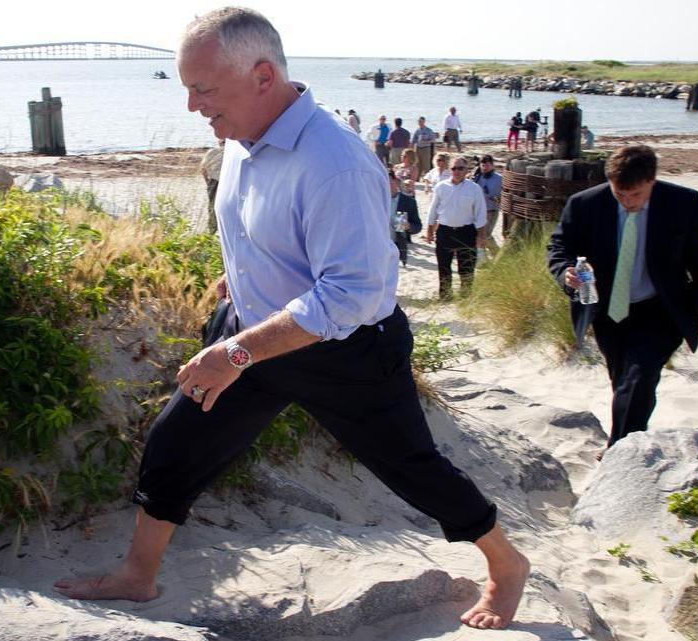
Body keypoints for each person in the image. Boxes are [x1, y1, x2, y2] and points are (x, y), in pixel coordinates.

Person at [53, 7, 529, 631]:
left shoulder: (336, 161)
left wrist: (236, 354)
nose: (194, 106)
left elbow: (350, 293)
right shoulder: (239, 140)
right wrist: (239, 276)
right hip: (252, 330)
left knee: (410, 467)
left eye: (204, 89)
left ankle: (505, 562)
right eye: (188, 89)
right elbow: (256, 229)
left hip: (345, 352)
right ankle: (138, 576)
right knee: (175, 444)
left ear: (261, 75)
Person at [546, 144, 698, 456]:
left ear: (651, 181)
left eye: (636, 195)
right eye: (620, 195)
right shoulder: (585, 204)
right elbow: (558, 247)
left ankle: (620, 451)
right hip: (607, 311)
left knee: (641, 376)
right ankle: (627, 438)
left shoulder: (684, 203)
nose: (628, 202)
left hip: (661, 308)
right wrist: (565, 274)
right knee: (623, 381)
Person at [424, 156, 487, 300]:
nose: (457, 171)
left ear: (466, 170)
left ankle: (465, 297)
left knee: (466, 267)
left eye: (460, 168)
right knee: (444, 266)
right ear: (449, 170)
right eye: (454, 168)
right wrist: (429, 230)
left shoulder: (474, 189)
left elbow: (480, 213)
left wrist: (482, 235)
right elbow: (433, 210)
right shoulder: (441, 187)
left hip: (466, 231)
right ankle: (445, 296)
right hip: (445, 231)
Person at [389, 170, 422, 267]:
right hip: (378, 246)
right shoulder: (374, 200)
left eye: (388, 181)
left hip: (397, 246)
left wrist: (408, 226)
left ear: (395, 181)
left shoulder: (408, 202)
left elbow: (418, 226)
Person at [472, 155, 504, 253]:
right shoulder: (477, 177)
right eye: (483, 165)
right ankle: (483, 255)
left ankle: (497, 253)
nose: (485, 168)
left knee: (486, 234)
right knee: (478, 233)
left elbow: (505, 195)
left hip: (492, 210)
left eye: (487, 165)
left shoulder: (499, 179)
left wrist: (495, 198)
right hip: (478, 210)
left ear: (492, 165)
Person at [199, 138, 225, 233]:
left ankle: (212, 232)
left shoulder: (212, 153)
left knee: (213, 209)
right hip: (219, 183)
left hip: (213, 183)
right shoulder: (233, 154)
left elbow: (203, 169)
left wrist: (208, 182)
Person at [411, 116, 438, 181]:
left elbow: (433, 139)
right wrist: (411, 148)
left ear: (424, 122)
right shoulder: (417, 130)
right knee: (418, 165)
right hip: (418, 148)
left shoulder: (428, 130)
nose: (420, 123)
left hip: (426, 148)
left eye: (421, 121)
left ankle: (427, 180)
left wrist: (426, 140)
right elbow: (414, 140)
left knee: (426, 165)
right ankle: (417, 179)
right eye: (419, 121)